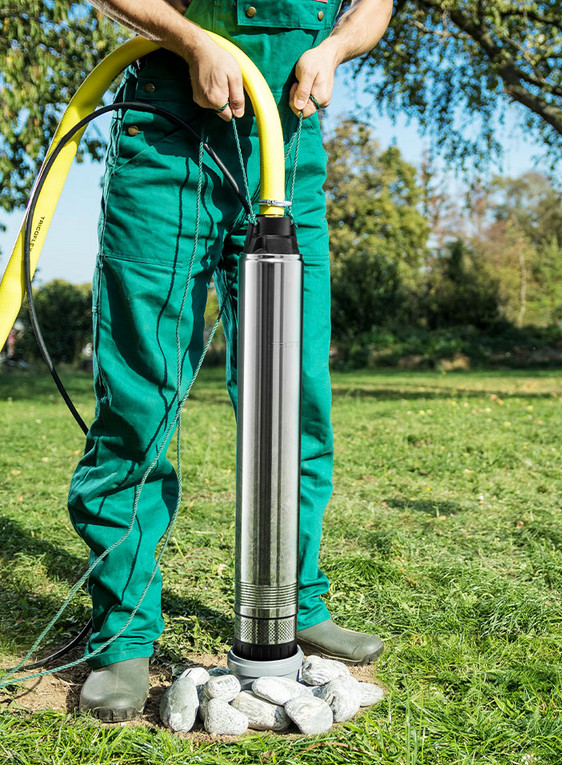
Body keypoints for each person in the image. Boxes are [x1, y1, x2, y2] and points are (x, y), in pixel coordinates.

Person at [70, 0, 393, 721]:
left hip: (288, 148)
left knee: (297, 393)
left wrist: (336, 48)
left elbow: (374, 7)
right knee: (141, 398)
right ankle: (122, 635)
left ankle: (293, 599)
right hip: (167, 142)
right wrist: (189, 40)